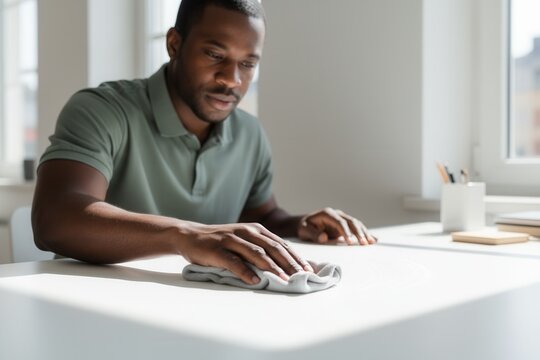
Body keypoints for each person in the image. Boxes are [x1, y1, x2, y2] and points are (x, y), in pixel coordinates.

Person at [32, 0, 376, 285]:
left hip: (203, 310)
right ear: (174, 45)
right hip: (91, 304)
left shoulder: (249, 133)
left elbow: (262, 214)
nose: (232, 79)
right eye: (215, 55)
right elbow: (55, 220)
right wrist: (185, 235)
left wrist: (298, 225)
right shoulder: (104, 110)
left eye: (247, 64)